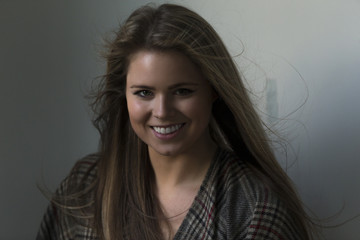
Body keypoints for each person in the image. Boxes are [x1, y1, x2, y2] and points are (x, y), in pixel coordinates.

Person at [37, 3, 315, 240]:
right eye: (144, 93)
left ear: (213, 90)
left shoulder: (254, 211)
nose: (162, 111)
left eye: (182, 91)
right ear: (123, 94)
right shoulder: (84, 186)